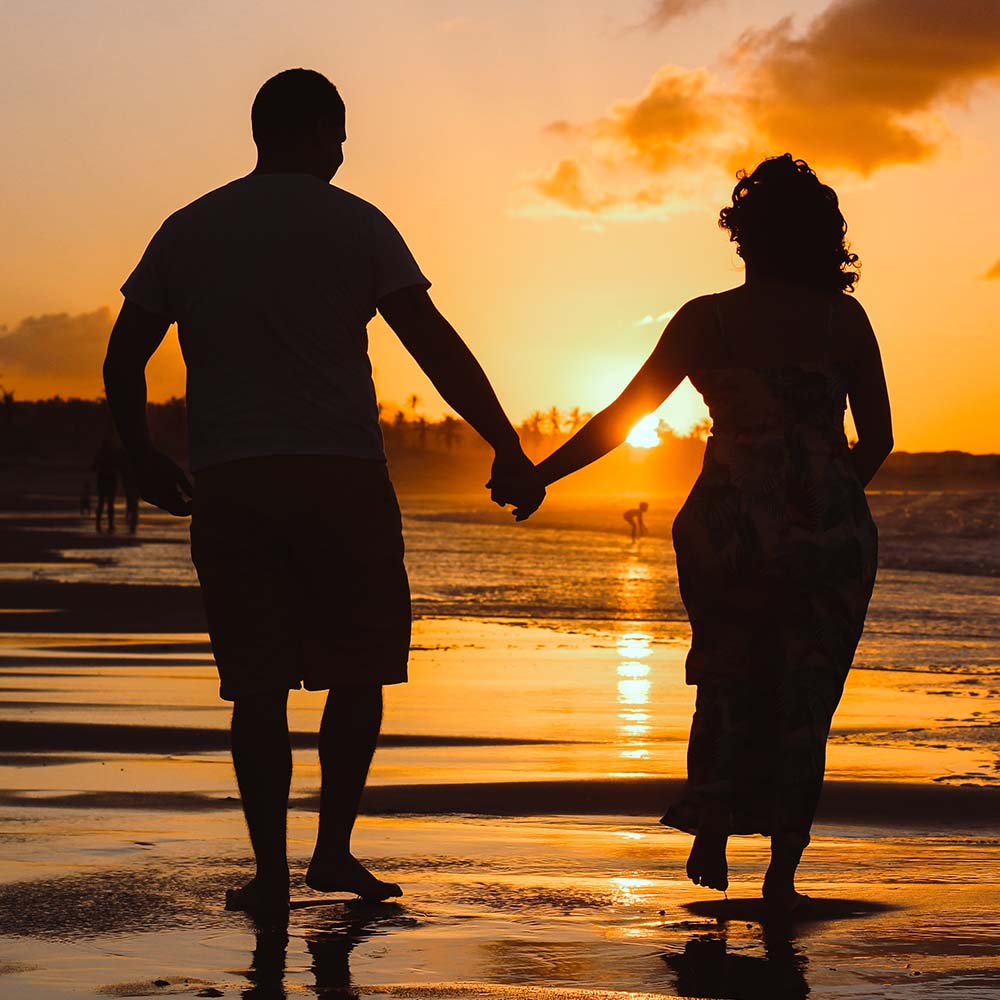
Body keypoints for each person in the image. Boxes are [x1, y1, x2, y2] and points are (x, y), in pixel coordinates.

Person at [103, 68, 542, 916]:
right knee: (360, 669)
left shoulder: (188, 229)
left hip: (233, 480)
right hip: (341, 476)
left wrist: (143, 456)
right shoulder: (358, 225)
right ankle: (332, 852)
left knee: (256, 685)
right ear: (311, 131)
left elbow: (124, 357)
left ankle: (272, 874)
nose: (343, 152)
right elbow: (434, 347)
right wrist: (506, 444)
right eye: (337, 135)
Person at [492, 154, 892, 912]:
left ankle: (711, 828)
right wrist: (824, 499)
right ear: (824, 238)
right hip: (830, 538)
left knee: (728, 672)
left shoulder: (707, 318)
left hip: (729, 526)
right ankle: (783, 871)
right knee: (806, 694)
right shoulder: (846, 320)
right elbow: (878, 438)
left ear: (743, 236)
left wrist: (540, 475)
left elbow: (623, 417)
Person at [92, 438, 119, 533]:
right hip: (110, 481)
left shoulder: (101, 454)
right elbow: (118, 467)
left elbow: (93, 467)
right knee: (110, 505)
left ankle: (98, 524)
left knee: (101, 503)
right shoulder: (113, 455)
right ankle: (110, 524)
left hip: (103, 481)